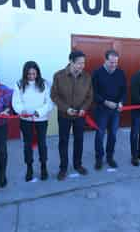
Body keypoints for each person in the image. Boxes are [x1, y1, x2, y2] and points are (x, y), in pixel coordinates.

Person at [51, 50, 93, 181]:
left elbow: (89, 96)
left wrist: (83, 109)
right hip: (64, 115)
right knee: (63, 141)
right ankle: (63, 168)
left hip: (80, 115)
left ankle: (78, 165)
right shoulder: (59, 76)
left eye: (83, 63)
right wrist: (66, 109)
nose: (82, 66)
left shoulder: (87, 77)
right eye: (79, 63)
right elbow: (54, 95)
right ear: (71, 62)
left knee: (79, 140)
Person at [12, 61, 54, 181]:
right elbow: (16, 101)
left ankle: (43, 167)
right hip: (25, 120)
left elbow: (49, 102)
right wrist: (22, 110)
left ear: (38, 73)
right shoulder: (19, 84)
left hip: (41, 120)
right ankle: (29, 168)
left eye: (34, 73)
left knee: (42, 143)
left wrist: (39, 112)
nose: (31, 76)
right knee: (27, 144)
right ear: (25, 73)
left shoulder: (44, 84)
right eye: (29, 74)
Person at [92, 50, 127, 170]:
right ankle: (99, 159)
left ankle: (110, 157)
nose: (114, 65)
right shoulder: (97, 73)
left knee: (113, 134)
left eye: (116, 62)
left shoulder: (120, 73)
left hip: (115, 111)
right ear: (105, 60)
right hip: (101, 110)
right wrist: (105, 102)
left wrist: (121, 102)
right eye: (111, 62)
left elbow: (124, 90)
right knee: (100, 134)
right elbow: (93, 93)